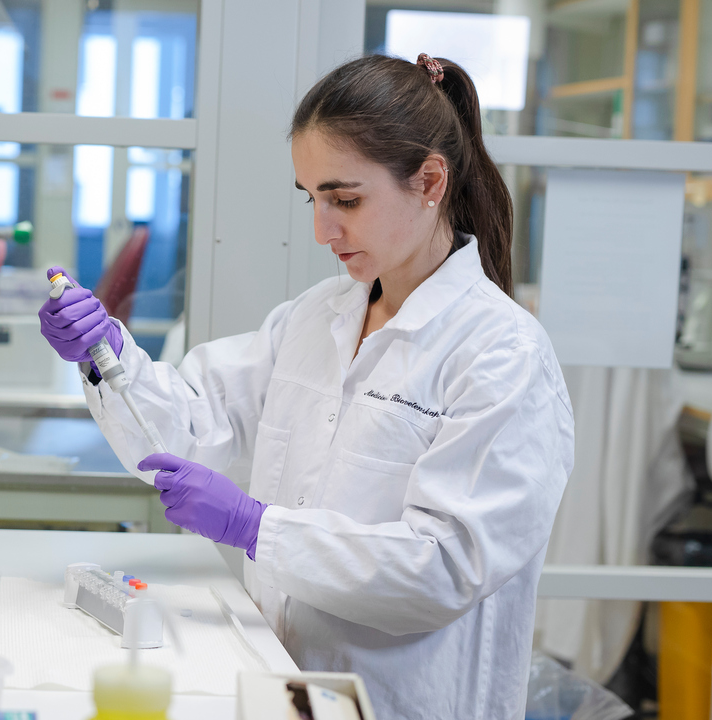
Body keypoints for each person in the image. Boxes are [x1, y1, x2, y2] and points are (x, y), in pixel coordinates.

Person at [39, 54, 574, 719]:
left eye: (346, 199)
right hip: (276, 686)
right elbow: (191, 429)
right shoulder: (317, 316)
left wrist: (258, 527)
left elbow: (443, 569)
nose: (323, 230)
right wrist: (104, 355)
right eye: (313, 198)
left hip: (403, 704)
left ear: (430, 180)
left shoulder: (502, 355)